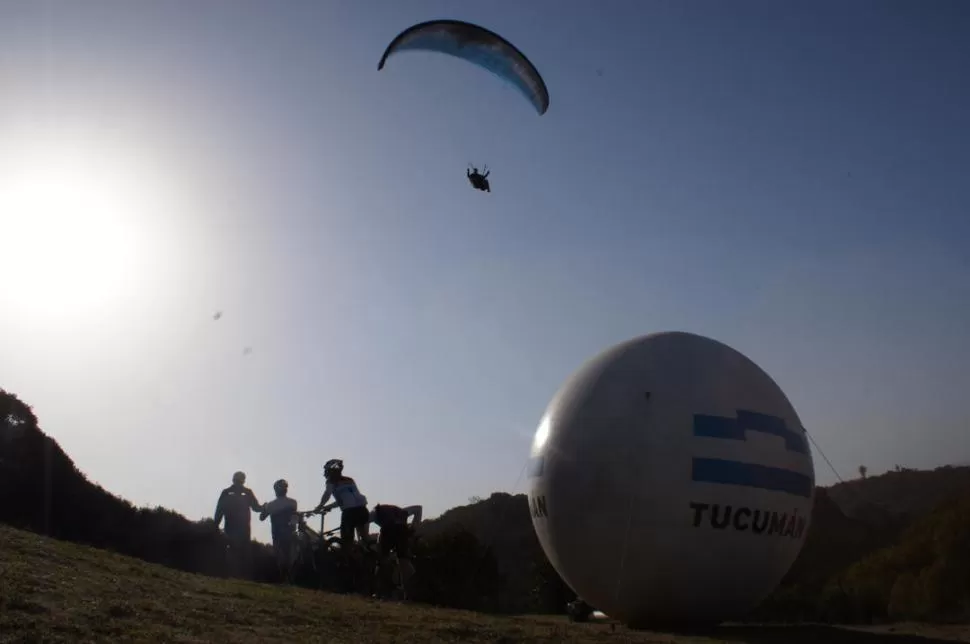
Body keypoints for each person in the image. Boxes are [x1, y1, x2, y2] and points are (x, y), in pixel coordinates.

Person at [213, 471, 261, 579]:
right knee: (233, 551)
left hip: (242, 528)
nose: (239, 482)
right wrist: (215, 524)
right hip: (232, 527)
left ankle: (240, 577)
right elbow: (219, 509)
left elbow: (256, 507)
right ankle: (232, 575)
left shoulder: (246, 492)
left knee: (241, 552)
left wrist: (265, 508)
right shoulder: (227, 492)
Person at [312, 459, 369, 547]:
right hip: (362, 510)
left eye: (327, 471)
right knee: (364, 537)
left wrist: (320, 506)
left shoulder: (332, 481)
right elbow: (344, 500)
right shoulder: (349, 480)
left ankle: (349, 557)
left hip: (349, 513)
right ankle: (371, 552)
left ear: (331, 471)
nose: (326, 473)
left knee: (346, 541)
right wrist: (329, 506)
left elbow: (327, 494)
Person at [370, 504, 422, 596]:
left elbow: (363, 525)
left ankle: (380, 591)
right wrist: (413, 528)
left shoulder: (375, 512)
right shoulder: (400, 511)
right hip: (402, 530)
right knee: (404, 561)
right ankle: (410, 591)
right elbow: (418, 509)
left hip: (388, 530)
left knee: (382, 559)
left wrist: (364, 539)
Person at [260, 479, 299, 582]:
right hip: (290, 532)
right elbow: (294, 518)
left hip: (277, 534)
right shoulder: (293, 502)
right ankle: (290, 579)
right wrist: (294, 528)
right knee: (290, 556)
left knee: (280, 557)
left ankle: (283, 578)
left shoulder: (271, 504)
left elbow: (262, 517)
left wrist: (264, 508)